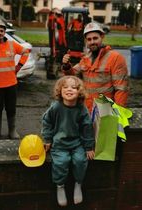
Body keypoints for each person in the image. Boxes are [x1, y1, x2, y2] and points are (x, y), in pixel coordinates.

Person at [41, 76, 95, 207]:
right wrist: (47, 139)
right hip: (59, 143)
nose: (69, 90)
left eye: (73, 87)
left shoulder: (82, 109)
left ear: (79, 92)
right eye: (65, 87)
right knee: (61, 162)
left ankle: (78, 184)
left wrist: (89, 147)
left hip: (77, 143)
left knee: (80, 160)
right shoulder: (56, 107)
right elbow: (47, 122)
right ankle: (60, 186)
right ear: (60, 91)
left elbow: (87, 128)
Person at [61, 22, 129, 113]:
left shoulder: (116, 58)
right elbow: (73, 76)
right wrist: (66, 66)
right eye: (89, 39)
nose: (92, 42)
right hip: (86, 109)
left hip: (105, 111)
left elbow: (121, 89)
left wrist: (118, 114)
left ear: (102, 37)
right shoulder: (85, 58)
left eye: (95, 38)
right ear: (86, 41)